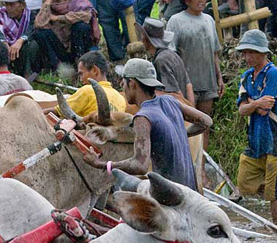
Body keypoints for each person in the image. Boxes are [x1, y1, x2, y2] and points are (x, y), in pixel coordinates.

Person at [81, 58, 211, 191]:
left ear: (131, 83)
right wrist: (178, 134)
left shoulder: (143, 117)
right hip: (190, 192)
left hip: (169, 196)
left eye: (123, 83)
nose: (123, 87)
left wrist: (101, 164)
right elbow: (206, 121)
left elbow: (140, 165)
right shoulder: (170, 101)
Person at [235, 30, 277, 224]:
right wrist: (256, 103)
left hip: (275, 140)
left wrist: (251, 103)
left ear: (262, 52)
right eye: (245, 52)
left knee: (274, 195)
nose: (247, 57)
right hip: (255, 140)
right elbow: (243, 110)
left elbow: (263, 110)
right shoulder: (246, 76)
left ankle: (276, 229)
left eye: (252, 52)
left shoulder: (274, 74)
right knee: (244, 183)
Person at [167, 0, 222, 166]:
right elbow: (172, 55)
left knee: (204, 124)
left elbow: (215, 51)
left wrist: (219, 77)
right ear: (187, 0)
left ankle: (201, 166)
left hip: (207, 80)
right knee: (186, 127)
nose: (201, 1)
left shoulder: (209, 20)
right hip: (186, 83)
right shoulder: (176, 20)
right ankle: (186, 163)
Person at [33, 0, 98, 72]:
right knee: (40, 33)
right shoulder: (49, 3)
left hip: (75, 45)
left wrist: (59, 18)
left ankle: (80, 64)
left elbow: (87, 16)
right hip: (60, 46)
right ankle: (57, 67)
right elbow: (39, 23)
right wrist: (48, 1)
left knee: (82, 26)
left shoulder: (79, 1)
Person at [47, 49, 126, 117]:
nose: (81, 80)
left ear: (94, 70)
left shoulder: (87, 91)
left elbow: (57, 112)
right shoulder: (121, 99)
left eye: (81, 74)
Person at [136, 17, 193, 105]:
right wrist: (192, 107)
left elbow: (176, 95)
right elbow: (188, 85)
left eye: (143, 37)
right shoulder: (173, 54)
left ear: (146, 40)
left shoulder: (161, 61)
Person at [0, 0, 36, 78]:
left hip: (21, 50)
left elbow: (32, 30)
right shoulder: (0, 13)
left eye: (12, 4)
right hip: (5, 48)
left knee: (33, 44)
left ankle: (27, 73)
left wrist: (20, 40)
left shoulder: (29, 15)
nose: (8, 8)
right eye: (6, 4)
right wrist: (4, 43)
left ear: (22, 5)